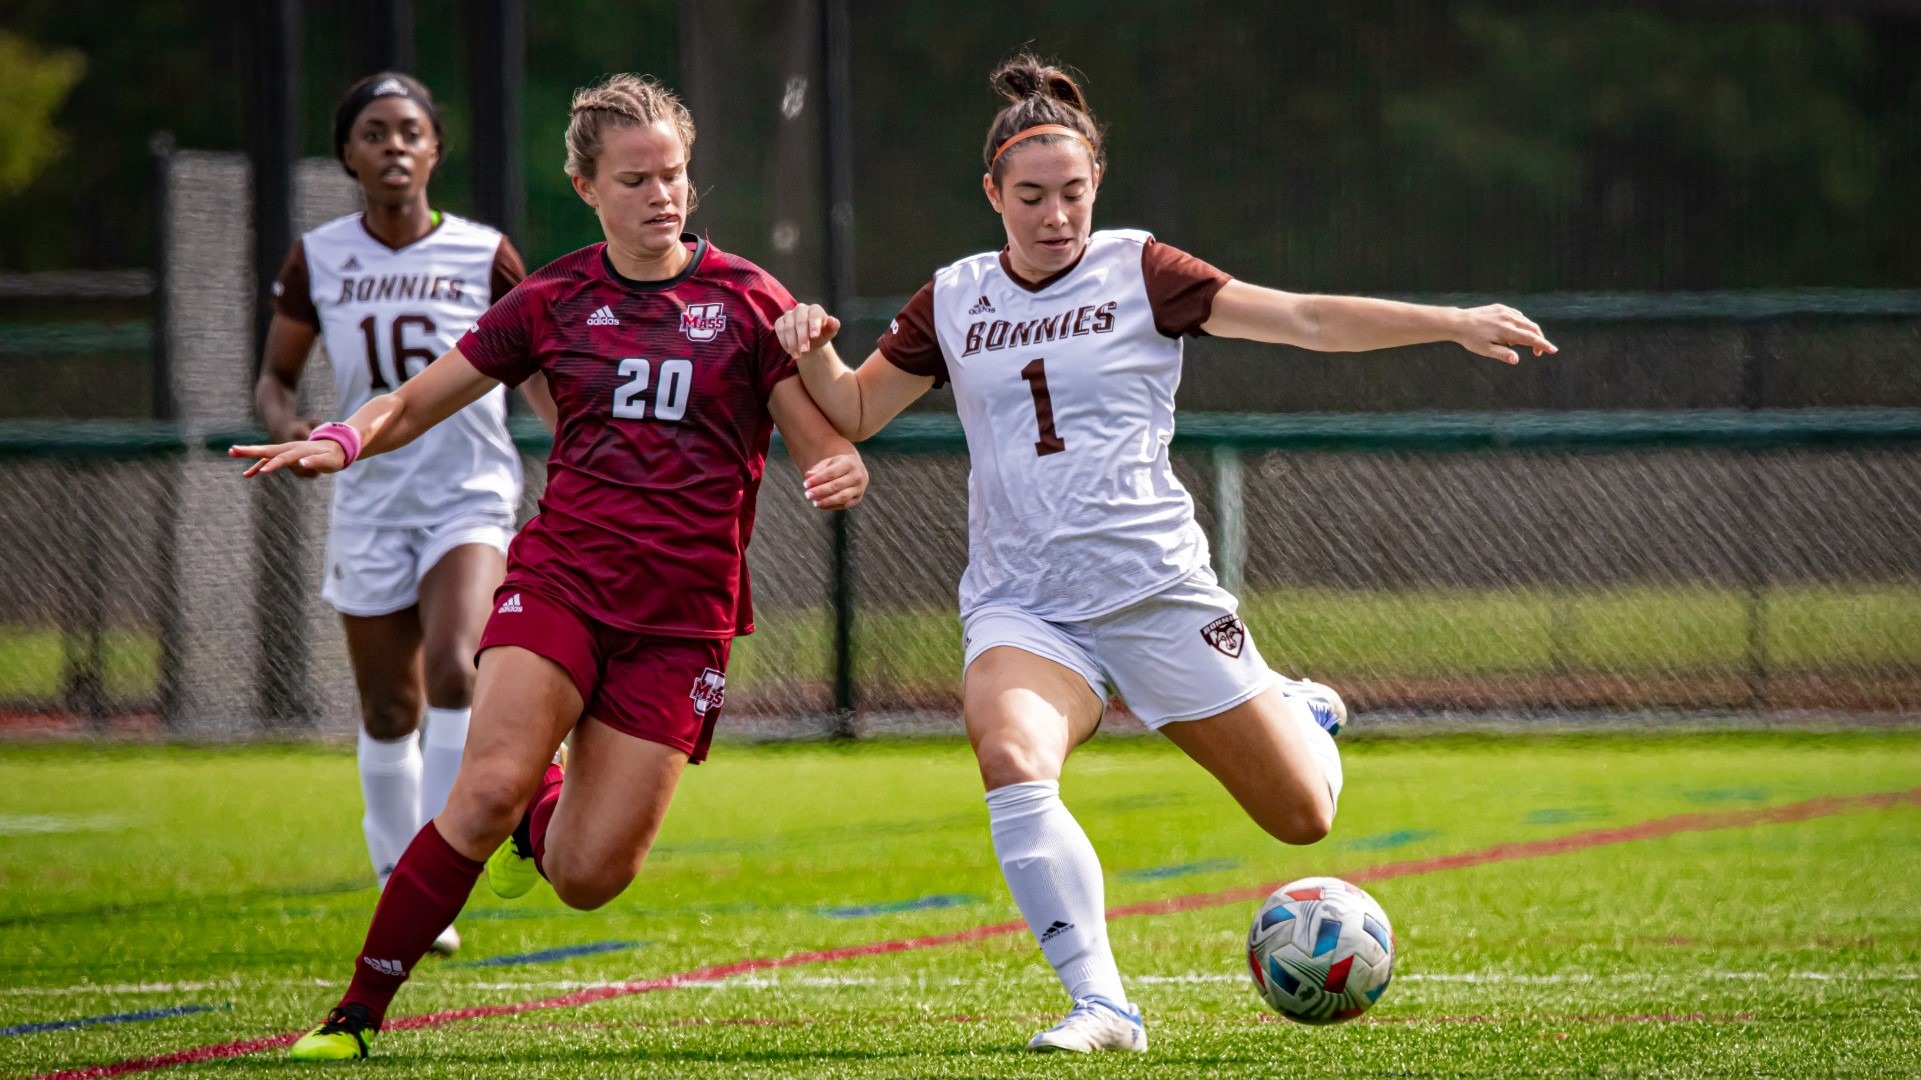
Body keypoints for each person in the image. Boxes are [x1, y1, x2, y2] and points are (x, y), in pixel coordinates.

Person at [775, 55, 1555, 1054]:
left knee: (1302, 818)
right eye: (1030, 198)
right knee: (1011, 755)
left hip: (1153, 591)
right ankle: (1103, 1005)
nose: (1054, 216)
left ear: (1096, 185)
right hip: (1026, 605)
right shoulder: (954, 299)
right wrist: (807, 346)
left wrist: (1450, 323)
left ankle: (1300, 710)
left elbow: (1306, 318)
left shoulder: (1141, 270)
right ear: (990, 196)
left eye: (1072, 194)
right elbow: (849, 408)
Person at [233, 72, 869, 1062]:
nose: (661, 195)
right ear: (586, 187)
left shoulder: (746, 299)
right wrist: (341, 442)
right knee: (479, 792)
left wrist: (839, 470)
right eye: (635, 179)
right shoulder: (553, 299)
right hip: (561, 581)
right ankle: (354, 1015)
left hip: (682, 619)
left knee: (586, 874)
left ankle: (545, 803)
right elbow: (410, 400)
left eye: (675, 176)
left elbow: (824, 441)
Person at [257, 72, 553, 958]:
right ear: (347, 153)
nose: (393, 146)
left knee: (459, 664)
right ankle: (396, 874)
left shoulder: (483, 252)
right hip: (370, 499)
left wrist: (576, 442)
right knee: (390, 707)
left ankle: (436, 871)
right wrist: (293, 429)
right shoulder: (319, 257)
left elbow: (538, 365)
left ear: (435, 150)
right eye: (374, 132)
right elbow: (275, 379)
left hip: (468, 492)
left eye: (410, 132)